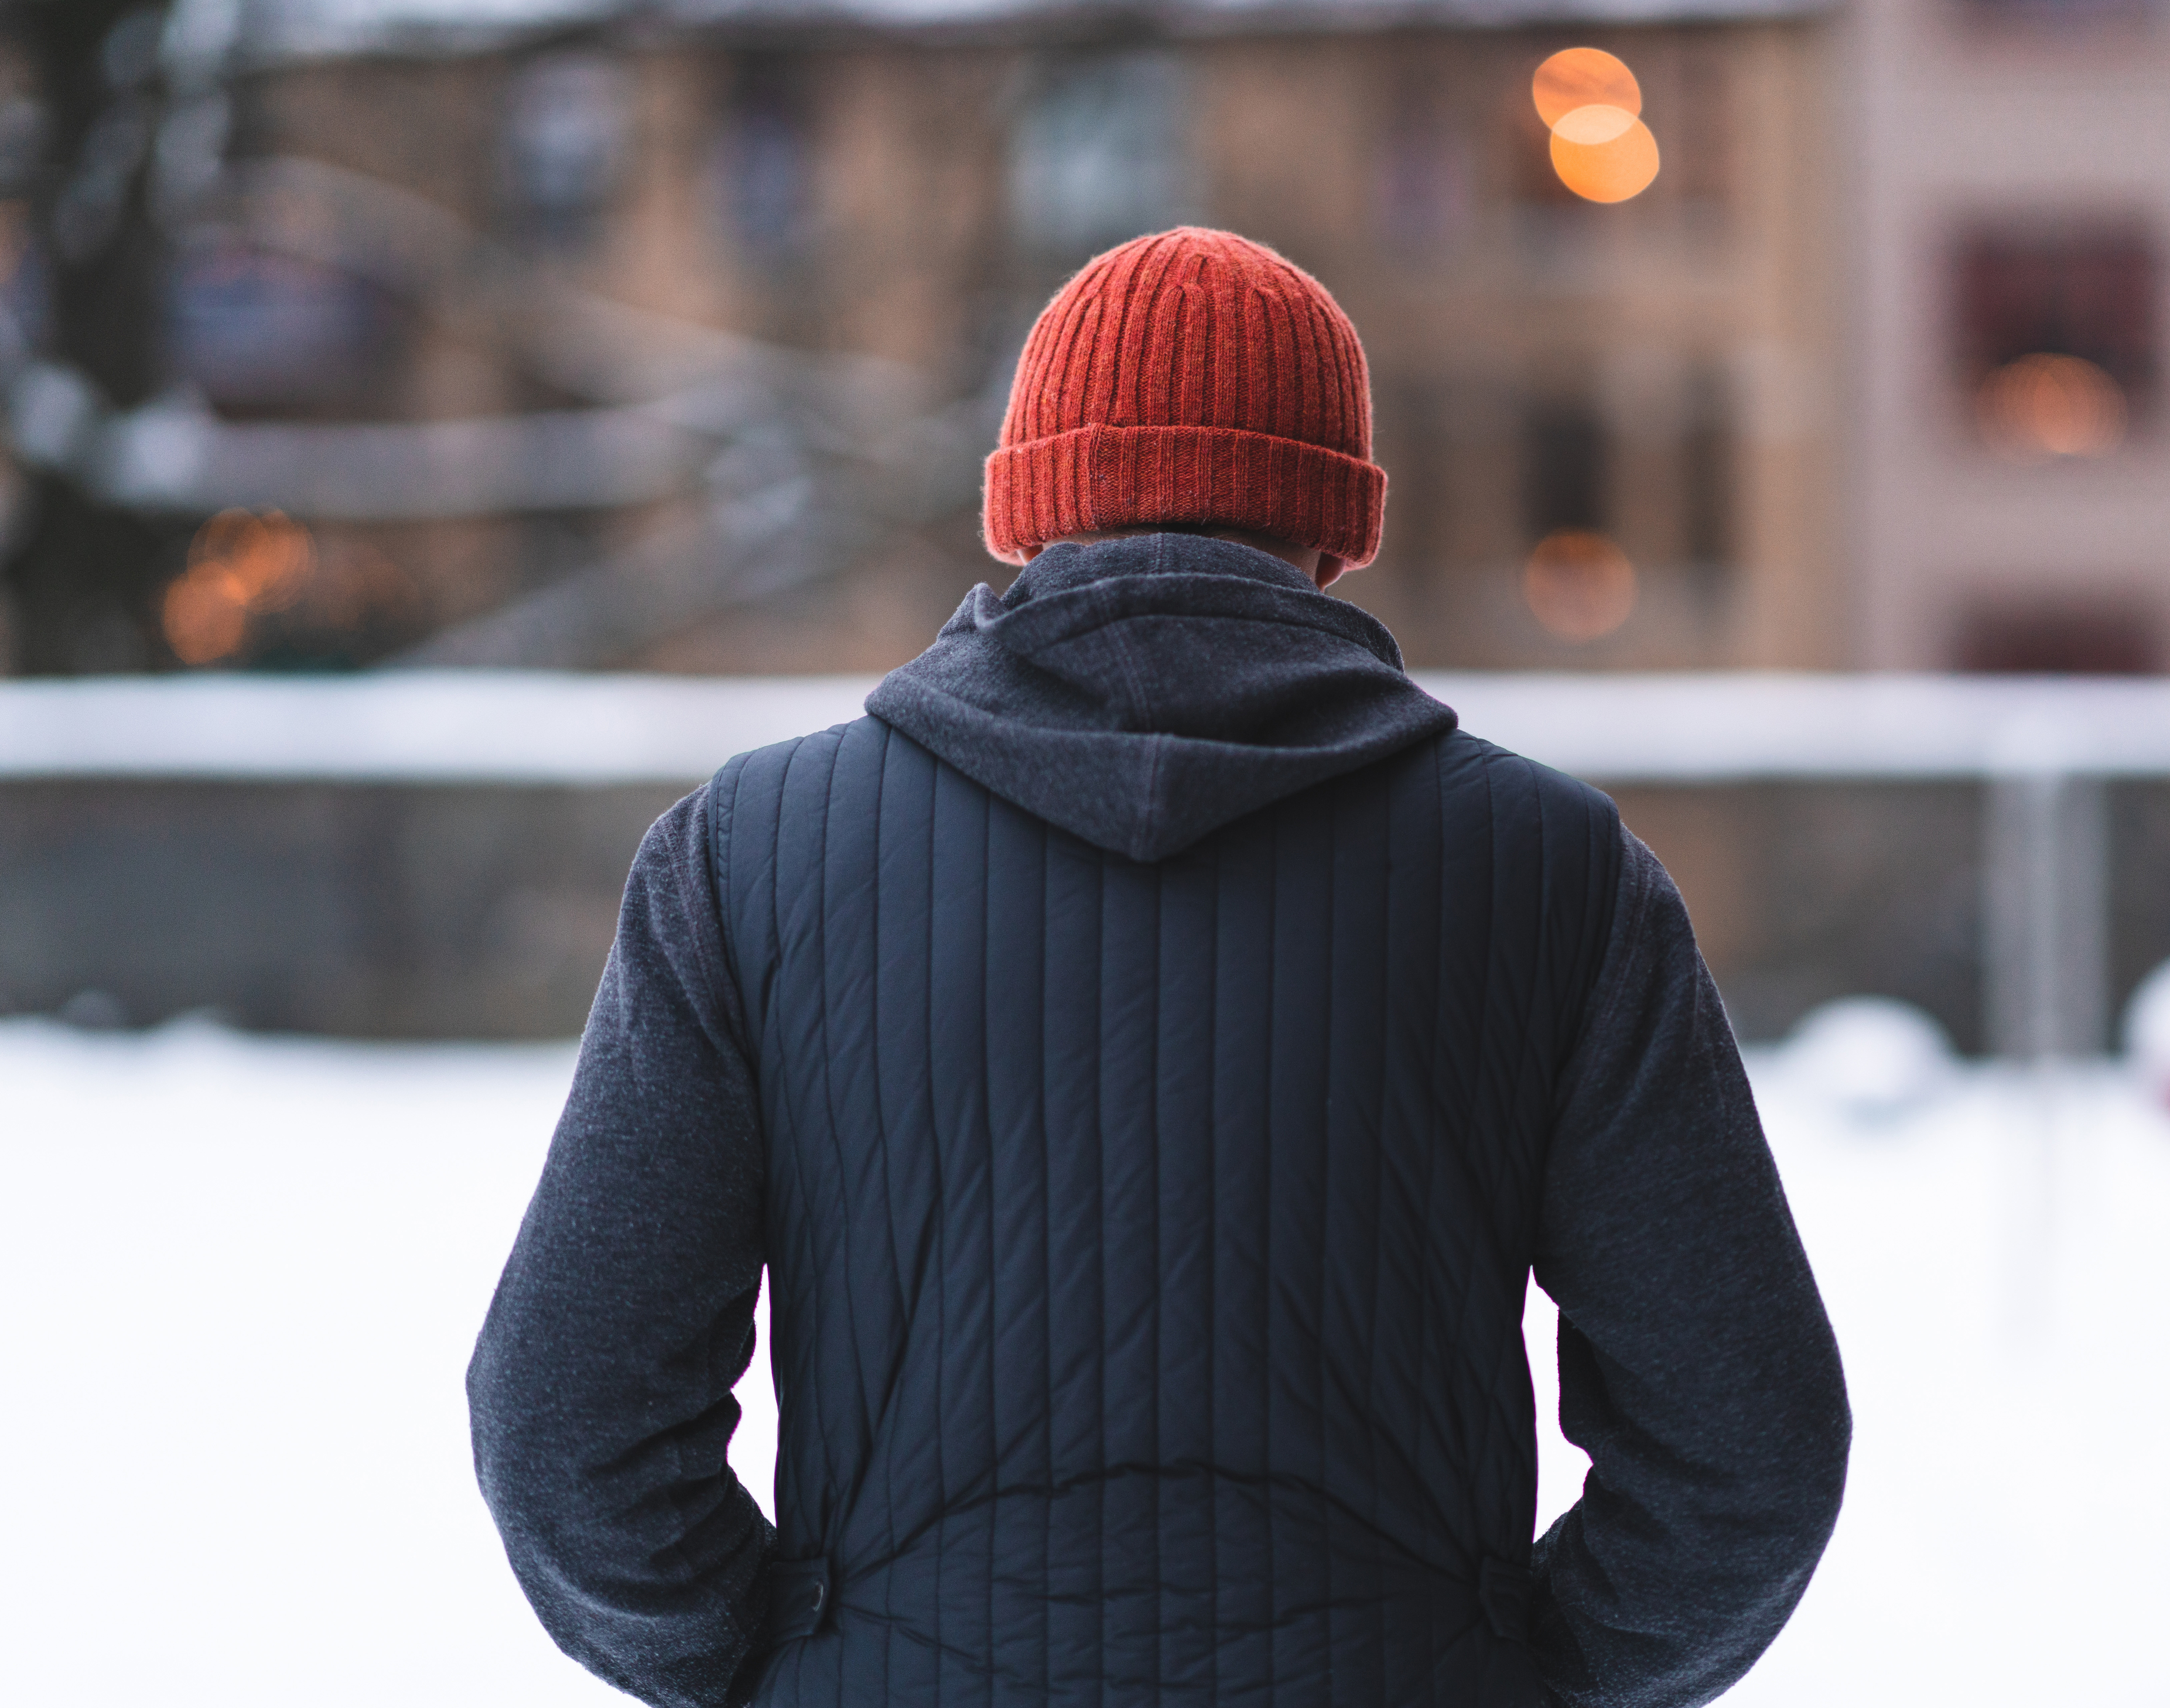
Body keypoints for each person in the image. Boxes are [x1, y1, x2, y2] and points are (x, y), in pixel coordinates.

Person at [469, 227, 1850, 1708]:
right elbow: (1741, 1450)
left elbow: (568, 1425)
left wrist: (790, 1662)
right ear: (1335, 522)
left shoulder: (747, 856)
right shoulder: (1554, 874)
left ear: (1024, 504)